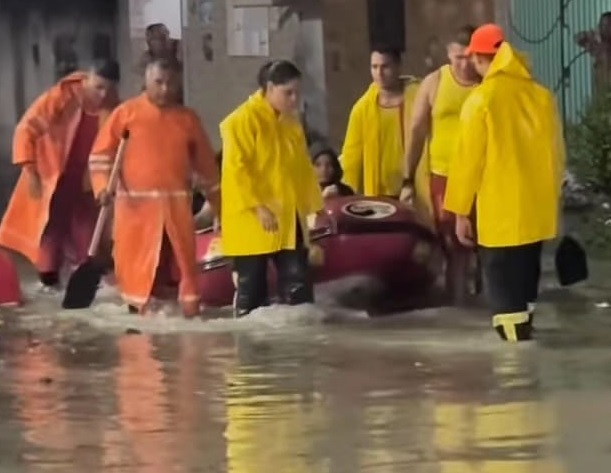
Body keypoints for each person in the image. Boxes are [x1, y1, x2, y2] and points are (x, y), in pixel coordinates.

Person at [443, 24, 565, 342]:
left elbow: (468, 161)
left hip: (500, 220)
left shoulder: (482, 100)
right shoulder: (541, 97)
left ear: (480, 58)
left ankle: (515, 383)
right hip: (535, 217)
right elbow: (557, 156)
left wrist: (459, 212)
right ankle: (530, 374)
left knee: (506, 307)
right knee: (525, 301)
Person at [89, 58, 220, 317]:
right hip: (136, 212)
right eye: (158, 82)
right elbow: (101, 157)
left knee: (183, 269)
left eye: (170, 83)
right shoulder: (125, 114)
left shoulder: (188, 119)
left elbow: (207, 169)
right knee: (137, 274)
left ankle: (187, 321)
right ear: (146, 81)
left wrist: (220, 208)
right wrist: (102, 187)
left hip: (176, 210)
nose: (164, 89)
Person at [0, 59, 121, 291]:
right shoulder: (61, 97)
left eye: (109, 88)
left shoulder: (116, 108)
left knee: (89, 238)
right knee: (50, 232)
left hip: (88, 183)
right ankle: (49, 282)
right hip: (52, 179)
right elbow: (26, 129)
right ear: (87, 79)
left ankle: (86, 282)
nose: (103, 94)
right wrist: (30, 169)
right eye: (98, 87)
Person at [220, 60, 324, 317]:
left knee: (299, 290)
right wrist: (258, 207)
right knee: (252, 291)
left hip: (288, 217)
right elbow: (236, 170)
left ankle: (298, 351)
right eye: (288, 93)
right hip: (251, 218)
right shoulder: (240, 121)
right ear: (269, 88)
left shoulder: (292, 124)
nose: (294, 99)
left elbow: (303, 168)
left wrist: (314, 208)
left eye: (297, 93)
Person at [400, 26, 480, 303]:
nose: (464, 63)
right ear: (448, 55)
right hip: (444, 176)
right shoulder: (434, 82)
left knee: (486, 246)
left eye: (469, 56)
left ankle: (488, 302)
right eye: (457, 57)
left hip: (484, 177)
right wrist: (407, 179)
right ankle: (457, 306)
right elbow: (416, 132)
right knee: (453, 246)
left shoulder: (488, 83)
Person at [340, 45, 423, 198]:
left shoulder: (419, 99)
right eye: (374, 67)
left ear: (398, 66)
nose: (379, 73)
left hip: (415, 190)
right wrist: (343, 191)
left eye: (385, 66)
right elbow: (351, 158)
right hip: (379, 194)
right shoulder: (362, 109)